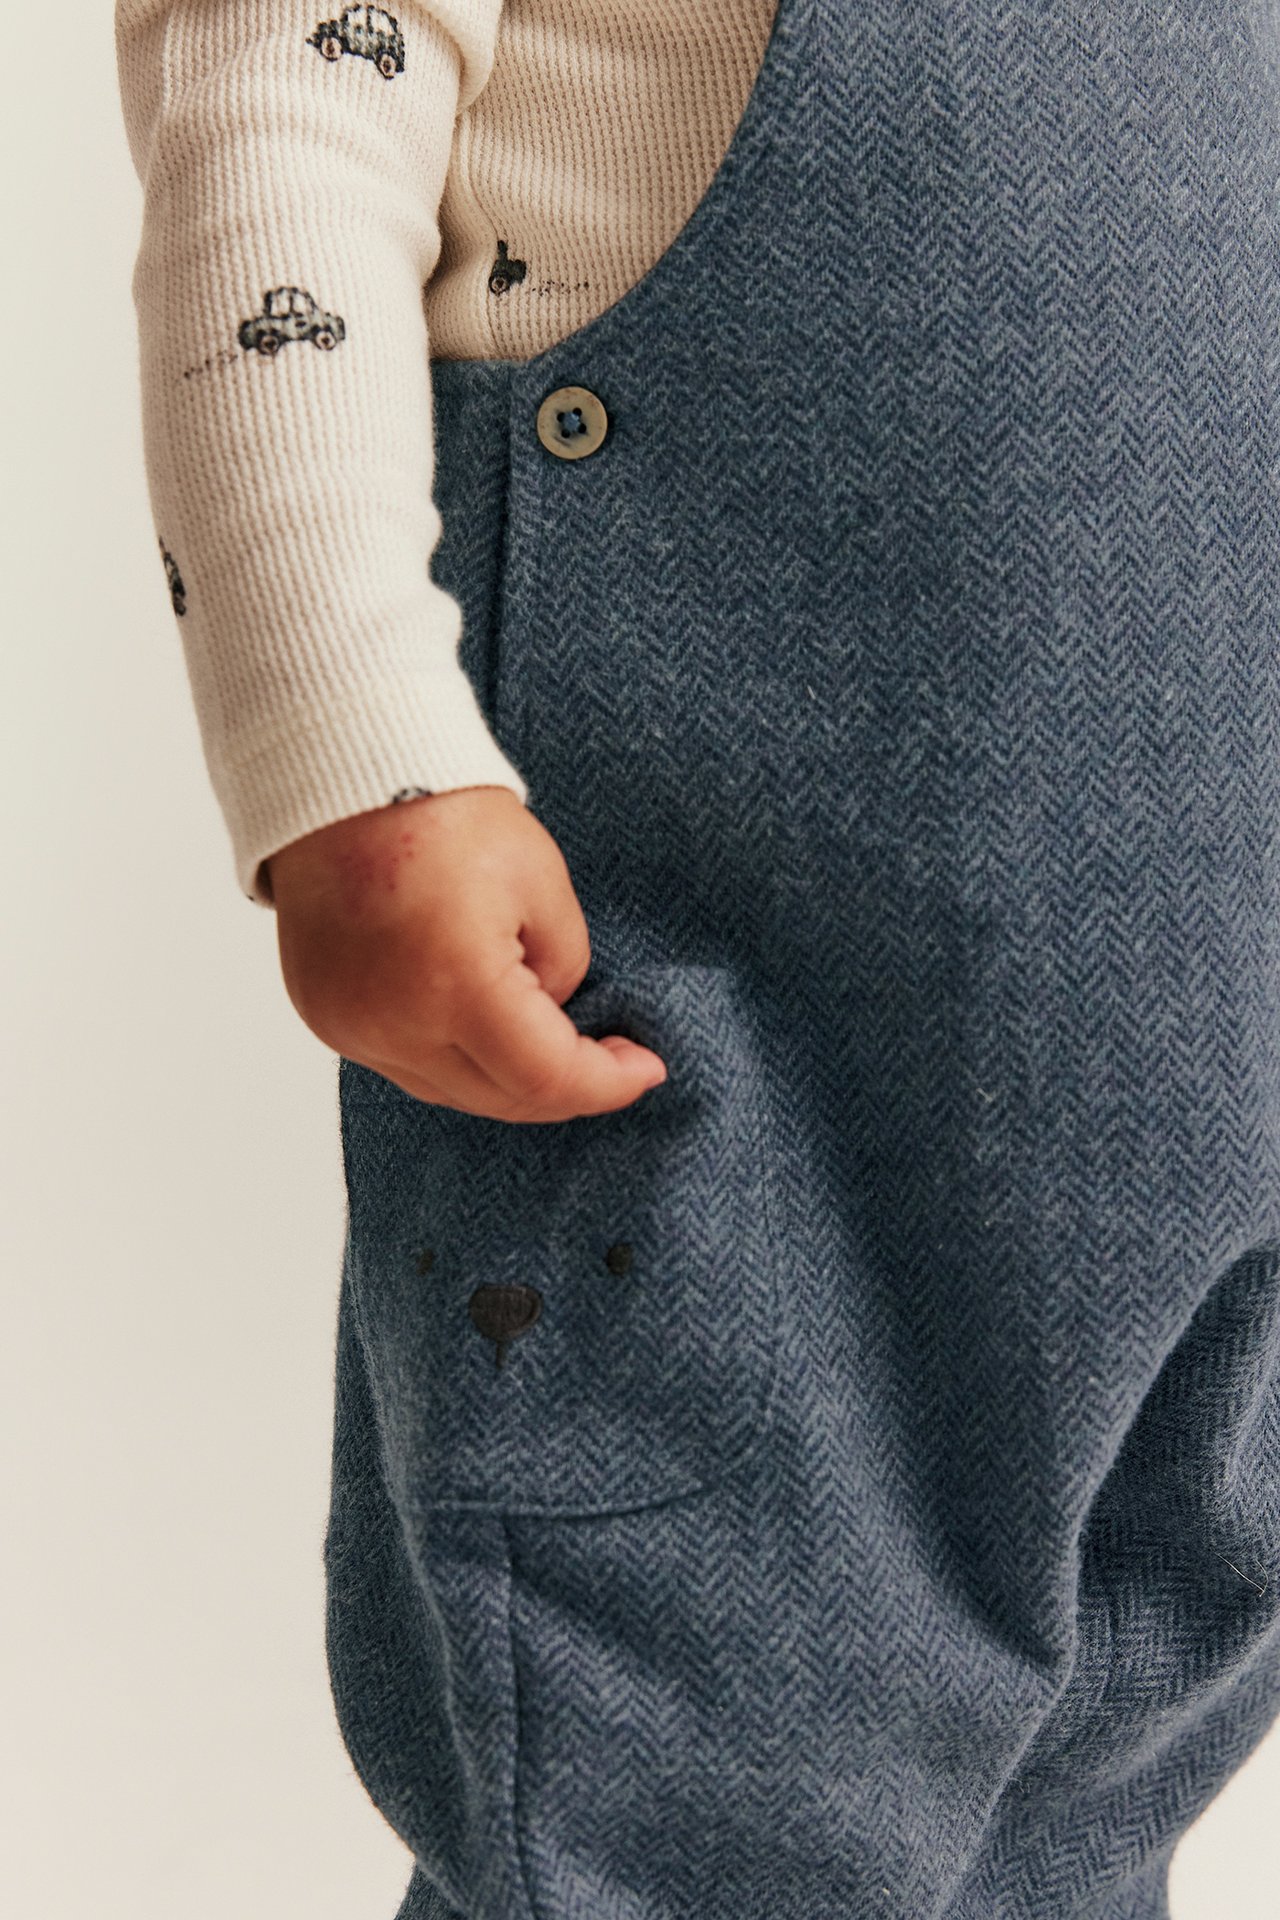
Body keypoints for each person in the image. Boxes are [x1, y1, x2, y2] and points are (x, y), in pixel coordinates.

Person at [114, 4, 1280, 1916]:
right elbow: (276, 113)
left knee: (1099, 1789)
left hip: (1199, 948)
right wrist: (350, 748)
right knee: (675, 1774)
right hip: (728, 969)